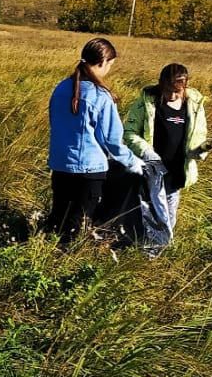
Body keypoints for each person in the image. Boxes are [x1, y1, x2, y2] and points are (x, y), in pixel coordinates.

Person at [47, 37, 142, 244]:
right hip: (89, 170)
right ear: (102, 63)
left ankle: (46, 257)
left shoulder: (61, 88)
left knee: (58, 219)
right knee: (79, 224)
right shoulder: (100, 96)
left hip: (60, 164)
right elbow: (111, 139)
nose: (109, 70)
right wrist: (132, 162)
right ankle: (68, 264)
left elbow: (54, 122)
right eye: (110, 65)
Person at [123, 63, 209, 234]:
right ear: (160, 84)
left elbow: (199, 135)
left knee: (169, 217)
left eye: (177, 92)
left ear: (185, 86)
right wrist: (147, 152)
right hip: (151, 173)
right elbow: (129, 133)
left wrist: (200, 151)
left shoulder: (194, 106)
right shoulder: (146, 103)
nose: (171, 95)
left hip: (176, 173)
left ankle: (160, 251)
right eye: (167, 90)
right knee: (150, 217)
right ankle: (146, 251)